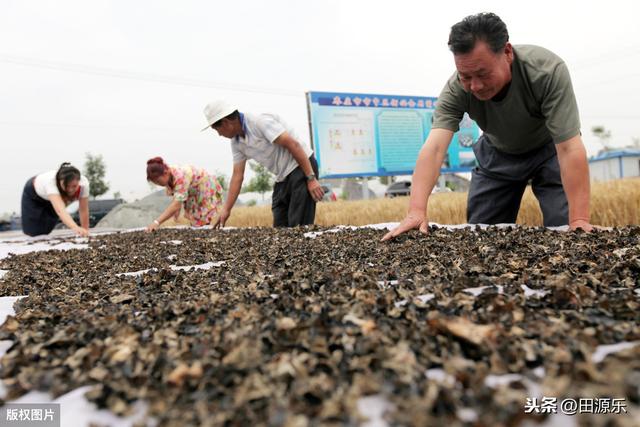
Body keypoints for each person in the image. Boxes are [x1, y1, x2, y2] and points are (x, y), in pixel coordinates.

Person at [383, 12, 594, 241]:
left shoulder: (546, 72)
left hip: (549, 151)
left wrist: (579, 220)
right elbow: (434, 149)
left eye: (483, 74)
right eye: (466, 76)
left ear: (507, 52)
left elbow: (569, 147)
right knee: (482, 236)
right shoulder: (456, 90)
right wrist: (416, 210)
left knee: (568, 232)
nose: (475, 86)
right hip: (497, 154)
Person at [201, 101, 324, 228]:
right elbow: (237, 176)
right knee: (280, 226)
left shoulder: (259, 123)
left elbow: (293, 145)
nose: (219, 134)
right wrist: (226, 209)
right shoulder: (236, 143)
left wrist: (311, 178)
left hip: (301, 166)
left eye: (217, 129)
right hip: (282, 177)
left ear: (226, 122)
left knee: (299, 226)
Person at [145, 157, 224, 232]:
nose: (158, 184)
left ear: (165, 173)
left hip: (205, 188)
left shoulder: (180, 176)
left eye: (158, 181)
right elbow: (177, 194)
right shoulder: (168, 174)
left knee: (203, 217)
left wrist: (156, 222)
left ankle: (209, 233)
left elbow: (176, 204)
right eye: (155, 182)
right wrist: (177, 210)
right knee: (196, 220)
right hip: (193, 192)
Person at [21, 163, 90, 237]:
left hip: (52, 200)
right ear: (60, 181)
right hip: (34, 194)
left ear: (79, 181)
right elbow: (60, 210)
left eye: (74, 186)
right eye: (66, 186)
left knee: (46, 229)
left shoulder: (84, 184)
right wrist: (75, 227)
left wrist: (85, 230)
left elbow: (83, 209)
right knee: (33, 231)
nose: (70, 190)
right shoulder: (51, 182)